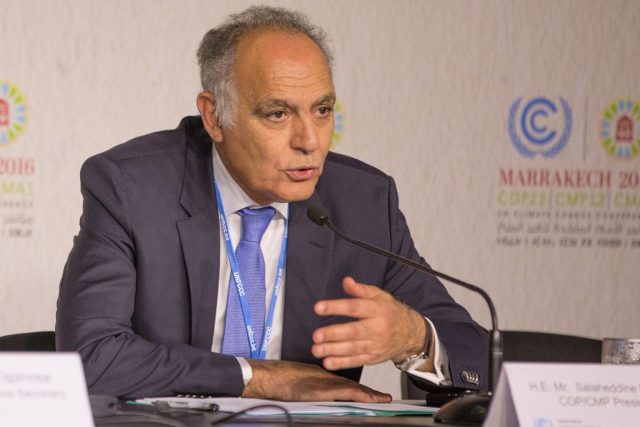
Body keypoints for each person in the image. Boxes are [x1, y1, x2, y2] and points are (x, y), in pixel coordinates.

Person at [56, 5, 486, 401]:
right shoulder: (132, 188)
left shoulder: (362, 203)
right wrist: (257, 377)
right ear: (214, 117)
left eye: (322, 110)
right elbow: (91, 357)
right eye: (278, 114)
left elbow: (482, 359)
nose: (310, 141)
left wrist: (414, 337)